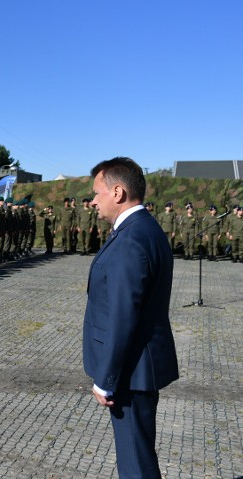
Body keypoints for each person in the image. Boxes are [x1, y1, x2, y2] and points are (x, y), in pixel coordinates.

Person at [84, 157, 178, 478]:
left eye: (97, 193)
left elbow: (122, 317)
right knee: (138, 453)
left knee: (135, 463)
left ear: (118, 192)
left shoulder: (131, 239)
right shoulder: (144, 229)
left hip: (130, 371)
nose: (93, 201)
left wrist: (105, 379)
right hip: (138, 366)